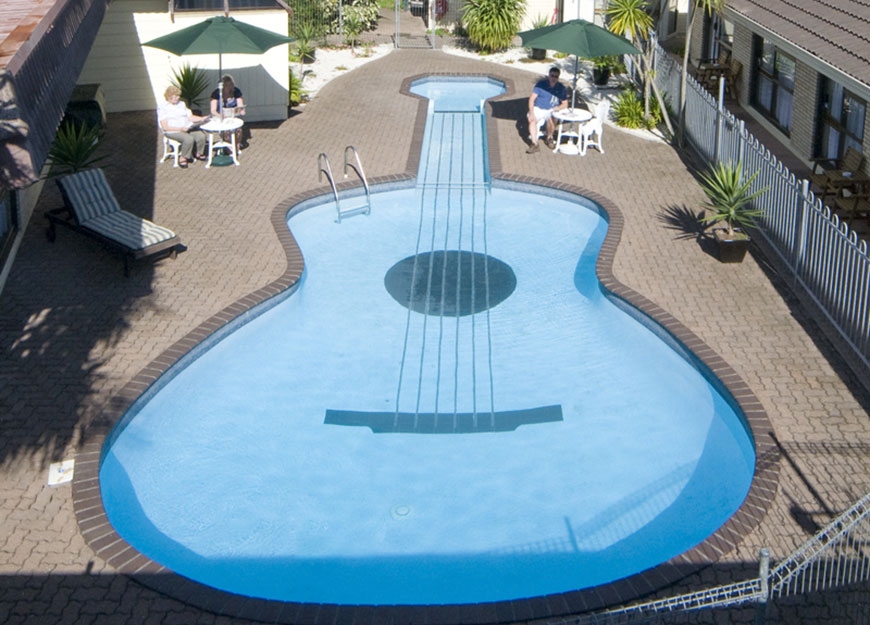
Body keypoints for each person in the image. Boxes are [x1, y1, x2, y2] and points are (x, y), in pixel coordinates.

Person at [158, 85, 208, 168]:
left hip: (186, 127)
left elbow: (190, 117)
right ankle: (183, 157)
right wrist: (180, 129)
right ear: (168, 97)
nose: (177, 98)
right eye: (174, 97)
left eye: (178, 96)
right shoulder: (163, 107)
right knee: (188, 139)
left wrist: (202, 118)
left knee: (201, 136)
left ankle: (199, 153)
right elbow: (165, 127)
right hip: (172, 131)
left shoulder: (182, 104)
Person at [526, 67, 568, 154]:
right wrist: (531, 112)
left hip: (551, 109)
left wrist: (558, 108)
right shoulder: (541, 85)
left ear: (558, 77)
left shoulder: (560, 88)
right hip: (539, 108)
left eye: (556, 76)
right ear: (549, 76)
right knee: (532, 119)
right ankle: (534, 143)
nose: (553, 78)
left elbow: (565, 104)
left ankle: (549, 137)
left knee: (553, 118)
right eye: (552, 76)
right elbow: (531, 99)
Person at [210, 74, 246, 147]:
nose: (230, 87)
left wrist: (241, 111)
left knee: (238, 129)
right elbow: (213, 110)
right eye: (227, 85)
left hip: (233, 115)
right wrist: (220, 116)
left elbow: (240, 106)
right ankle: (229, 145)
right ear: (223, 86)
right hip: (221, 116)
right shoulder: (216, 94)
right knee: (226, 131)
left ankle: (237, 144)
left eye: (231, 84)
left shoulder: (236, 91)